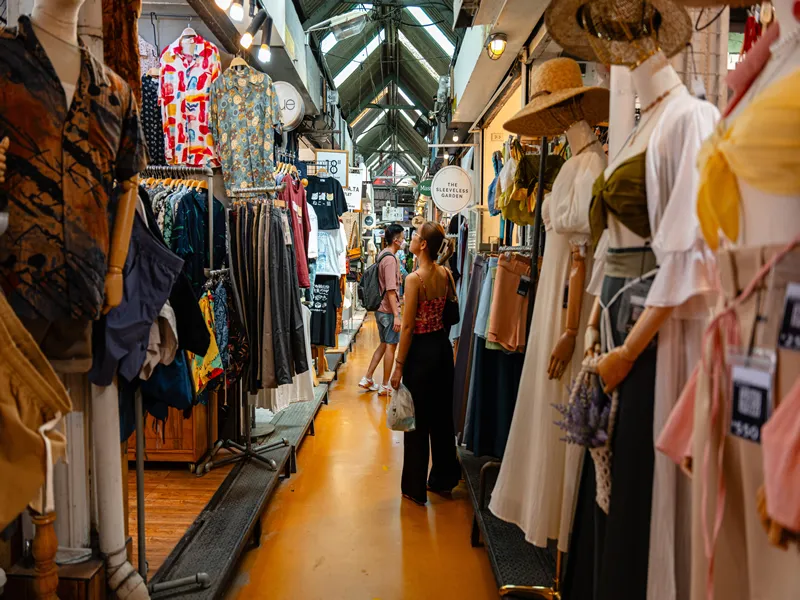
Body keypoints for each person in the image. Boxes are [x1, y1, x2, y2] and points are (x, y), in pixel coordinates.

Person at [390, 222, 461, 506]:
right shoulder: (446, 274)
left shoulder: (414, 279)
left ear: (423, 246)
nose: (412, 238)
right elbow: (451, 314)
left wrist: (398, 365)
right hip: (442, 350)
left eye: (416, 235)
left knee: (416, 422)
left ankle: (414, 488)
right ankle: (444, 479)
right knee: (442, 418)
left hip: (419, 354)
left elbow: (407, 328)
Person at [359, 223, 405, 395]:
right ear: (395, 240)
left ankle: (368, 377)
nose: (404, 240)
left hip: (380, 308)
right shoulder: (390, 260)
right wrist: (397, 315)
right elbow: (391, 291)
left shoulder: (382, 255)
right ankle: (386, 385)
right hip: (388, 310)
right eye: (402, 237)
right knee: (391, 346)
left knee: (384, 344)